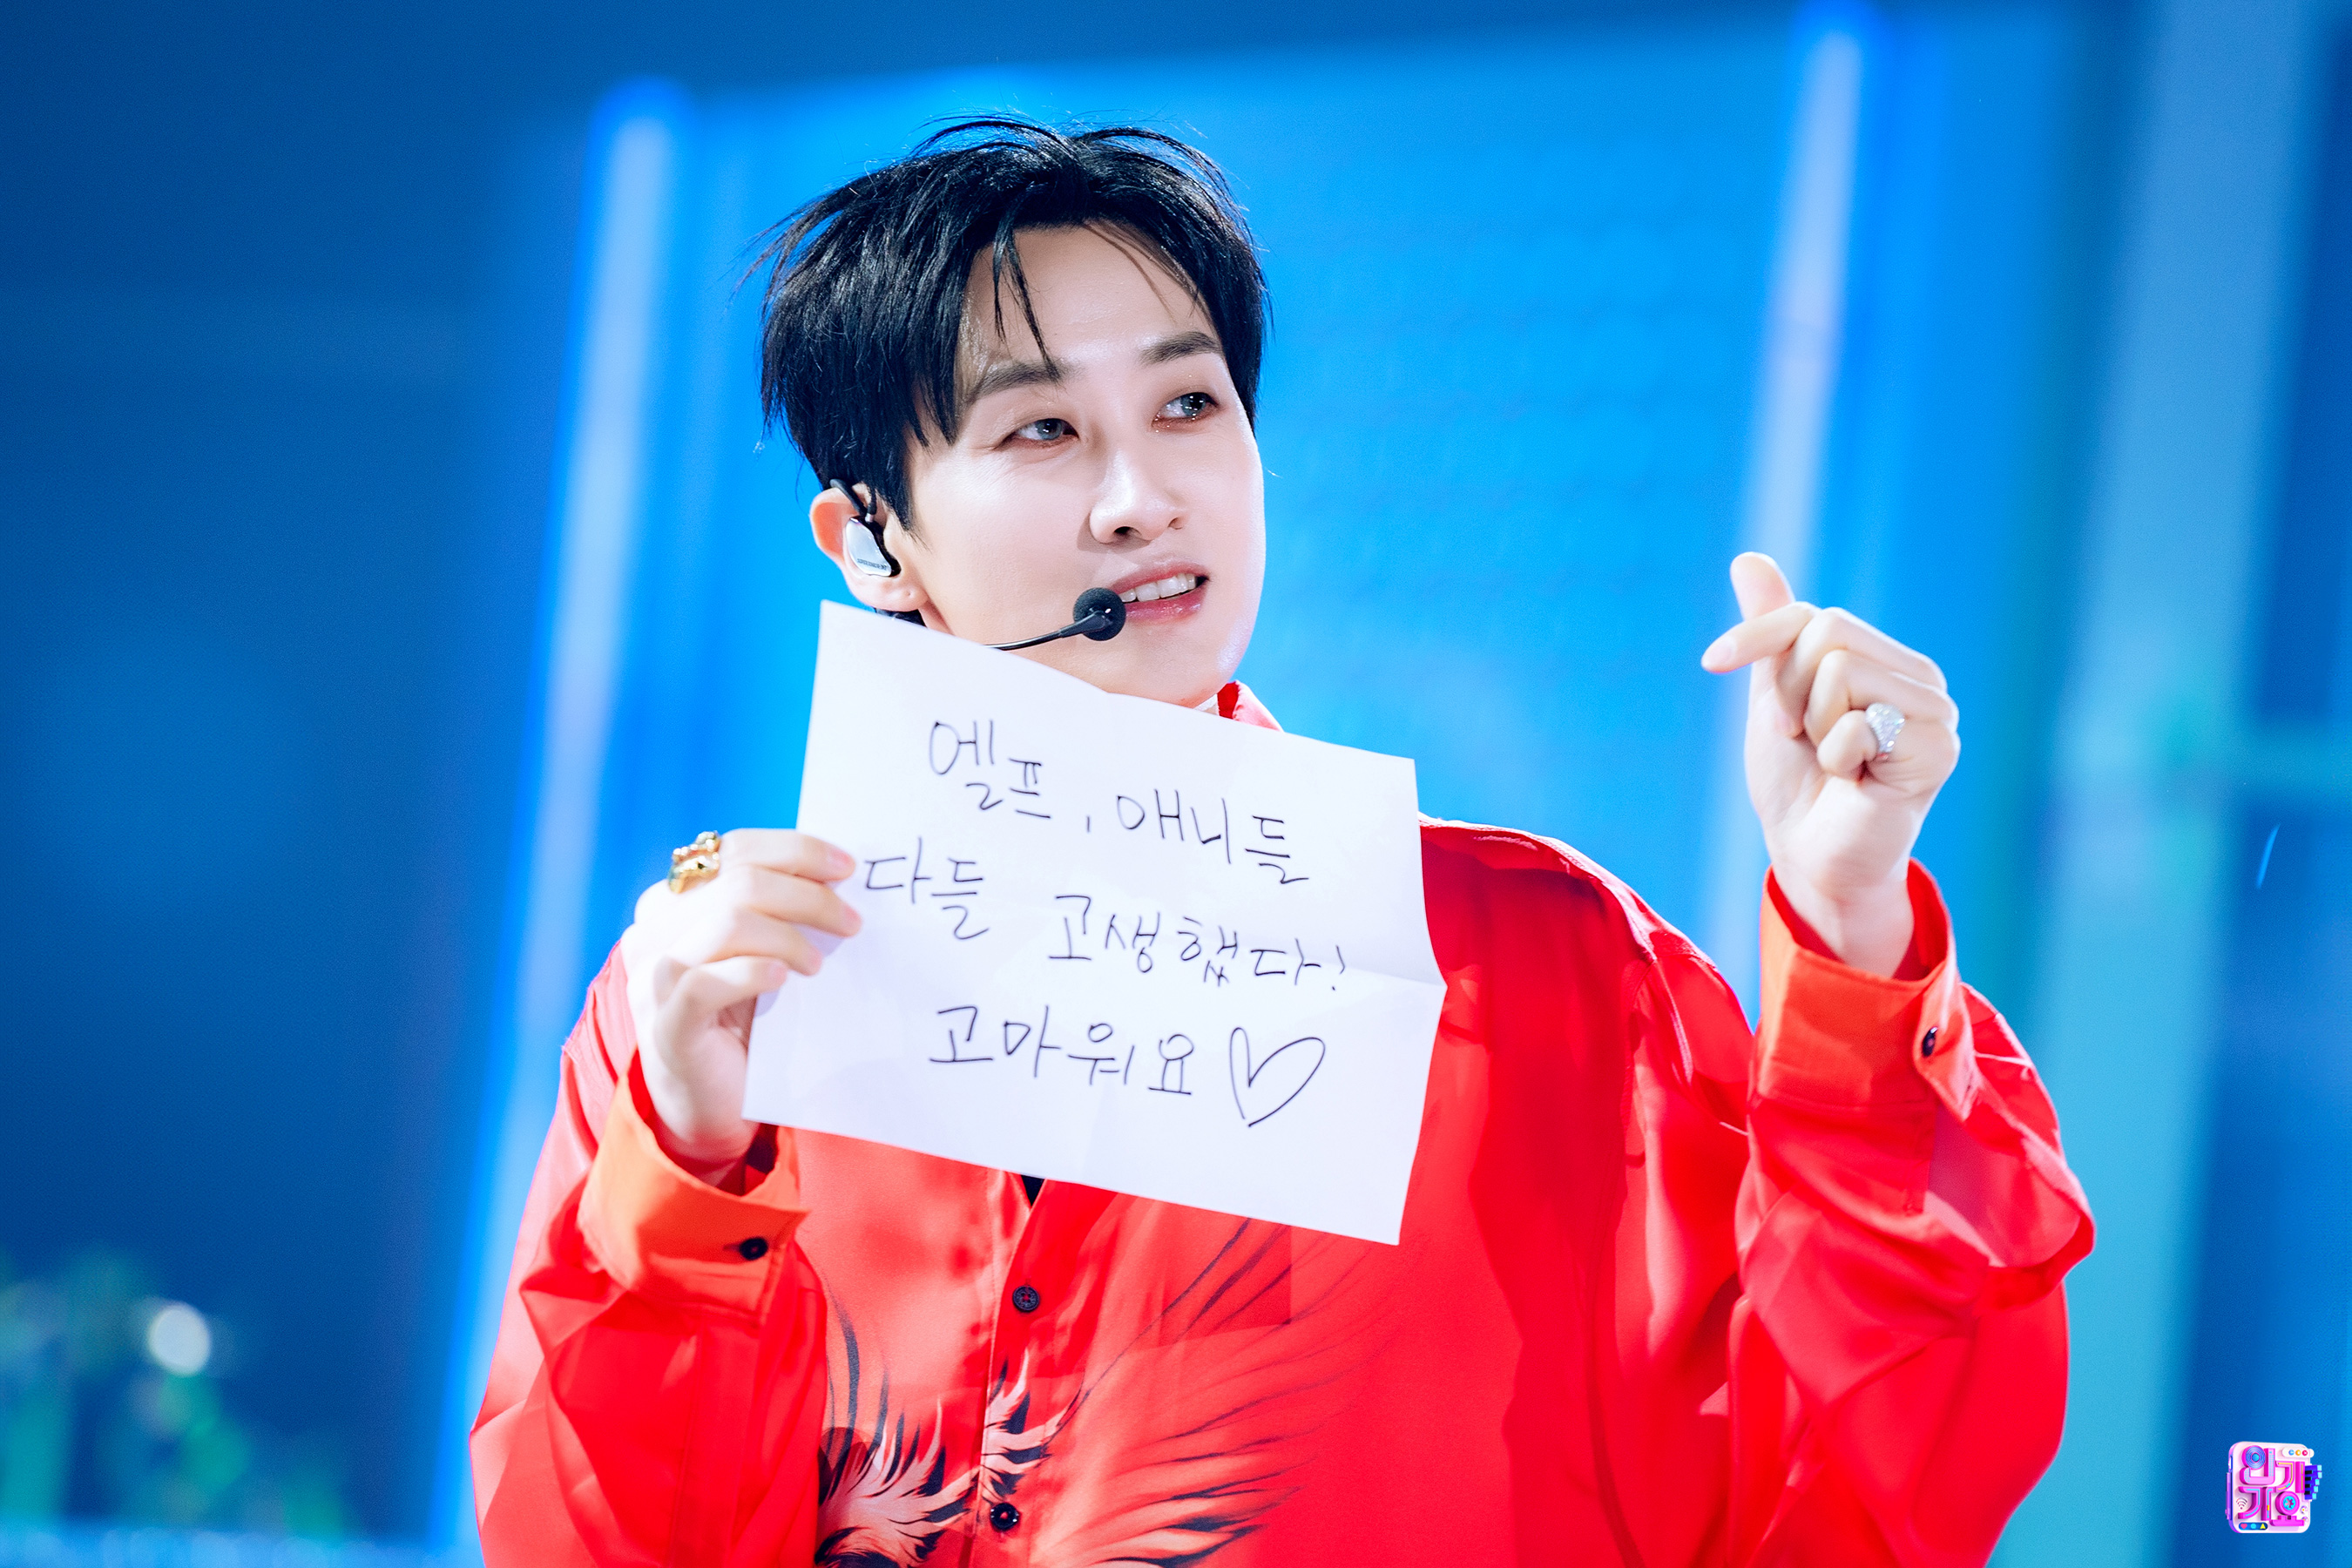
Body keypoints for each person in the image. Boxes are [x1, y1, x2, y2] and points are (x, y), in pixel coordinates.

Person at [470, 119, 2092, 1567]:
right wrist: (688, 1166)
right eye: (1039, 432)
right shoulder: (722, 1002)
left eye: (1190, 404)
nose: (1140, 498)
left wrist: (1851, 929)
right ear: (869, 539)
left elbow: (1868, 1492)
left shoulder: (1538, 969)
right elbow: (583, 1539)